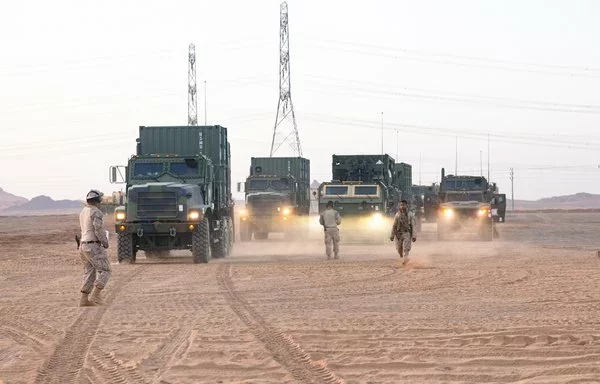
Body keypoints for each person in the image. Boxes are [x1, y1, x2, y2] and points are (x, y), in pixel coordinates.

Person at [78, 189, 111, 306]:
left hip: (83, 245)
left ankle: (84, 299)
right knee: (105, 270)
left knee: (89, 272)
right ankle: (96, 296)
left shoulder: (83, 211)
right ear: (98, 201)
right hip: (93, 245)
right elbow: (98, 229)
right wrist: (105, 242)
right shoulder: (96, 212)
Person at [390, 199, 417, 265]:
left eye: (404, 205)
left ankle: (406, 259)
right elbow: (394, 225)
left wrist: (414, 236)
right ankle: (402, 255)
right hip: (398, 234)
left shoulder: (410, 214)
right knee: (399, 249)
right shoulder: (397, 214)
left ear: (406, 206)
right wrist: (392, 235)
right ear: (399, 206)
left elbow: (413, 225)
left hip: (406, 233)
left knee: (406, 248)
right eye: (401, 205)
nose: (402, 206)